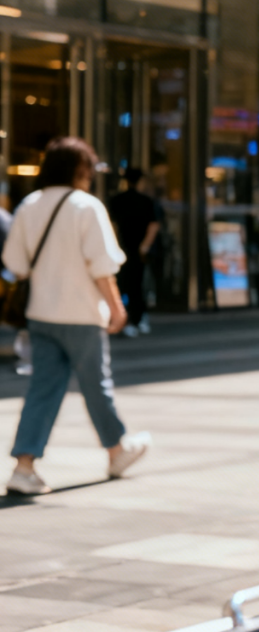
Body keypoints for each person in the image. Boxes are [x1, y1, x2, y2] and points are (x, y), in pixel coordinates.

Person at [4, 138, 151, 496]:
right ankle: (117, 449)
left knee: (42, 389)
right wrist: (116, 308)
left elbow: (15, 264)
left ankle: (24, 467)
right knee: (95, 385)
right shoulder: (87, 206)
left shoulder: (29, 205)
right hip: (82, 314)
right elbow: (102, 266)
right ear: (80, 169)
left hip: (40, 314)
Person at [107, 168, 161, 336]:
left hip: (121, 247)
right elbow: (154, 225)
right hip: (138, 250)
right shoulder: (146, 201)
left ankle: (127, 320)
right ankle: (138, 318)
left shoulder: (116, 200)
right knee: (138, 285)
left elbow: (112, 226)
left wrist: (114, 245)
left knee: (122, 285)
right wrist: (145, 246)